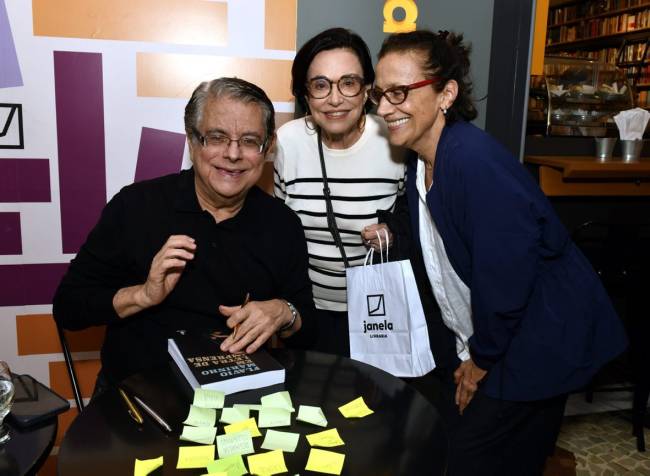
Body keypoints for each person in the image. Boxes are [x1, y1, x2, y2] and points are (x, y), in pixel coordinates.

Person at [371, 30, 627, 475]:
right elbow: (439, 243)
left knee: (471, 461)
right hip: (495, 343)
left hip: (534, 343)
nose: (384, 107)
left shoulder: (473, 160)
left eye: (399, 92)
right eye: (380, 93)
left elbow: (506, 280)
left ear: (446, 93)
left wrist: (481, 361)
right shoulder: (420, 159)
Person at [53, 77, 316, 392]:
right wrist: (143, 295)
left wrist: (283, 312)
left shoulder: (282, 223)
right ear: (192, 141)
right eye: (216, 137)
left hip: (241, 400)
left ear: (267, 148)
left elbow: (304, 323)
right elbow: (68, 307)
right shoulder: (136, 206)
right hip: (137, 398)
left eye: (249, 141)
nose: (233, 154)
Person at [273, 28, 407, 356]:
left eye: (348, 83)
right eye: (320, 85)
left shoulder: (395, 139)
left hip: (380, 311)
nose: (335, 99)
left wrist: (395, 232)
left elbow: (419, 223)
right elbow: (277, 230)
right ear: (305, 94)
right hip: (308, 314)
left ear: (367, 91)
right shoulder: (287, 142)